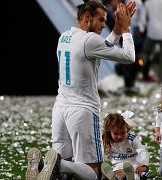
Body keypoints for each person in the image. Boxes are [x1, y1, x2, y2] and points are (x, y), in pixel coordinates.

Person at [25, 1, 137, 179]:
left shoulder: (64, 37)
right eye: (100, 20)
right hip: (83, 111)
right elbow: (129, 57)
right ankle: (50, 162)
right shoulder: (90, 40)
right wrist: (126, 29)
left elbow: (100, 48)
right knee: (94, 172)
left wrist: (115, 28)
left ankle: (46, 164)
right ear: (87, 17)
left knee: (62, 174)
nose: (102, 25)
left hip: (60, 109)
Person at [101, 111, 150, 180]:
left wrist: (144, 166)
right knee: (116, 172)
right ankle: (118, 177)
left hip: (135, 164)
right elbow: (101, 155)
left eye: (122, 133)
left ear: (126, 129)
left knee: (137, 174)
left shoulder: (131, 139)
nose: (119, 136)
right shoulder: (108, 141)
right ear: (109, 132)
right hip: (118, 166)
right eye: (116, 134)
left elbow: (142, 151)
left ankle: (129, 177)